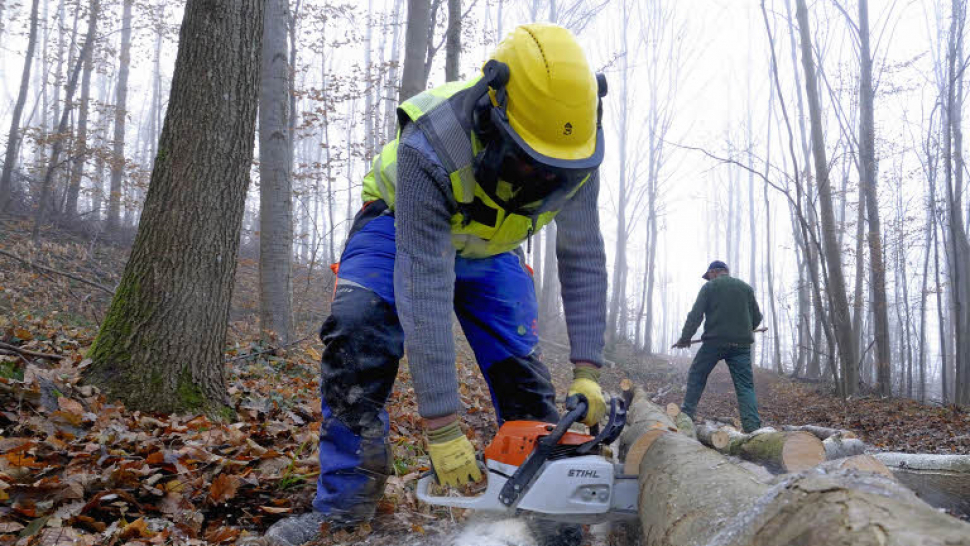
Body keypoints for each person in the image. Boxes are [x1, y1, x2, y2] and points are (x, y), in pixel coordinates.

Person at [266, 23, 608, 546]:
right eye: (529, 160)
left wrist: (587, 370)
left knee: (523, 375)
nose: (543, 178)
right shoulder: (433, 141)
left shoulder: (577, 148)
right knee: (358, 334)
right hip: (400, 225)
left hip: (491, 246)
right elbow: (424, 286)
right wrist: (442, 424)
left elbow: (583, 256)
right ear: (495, 110)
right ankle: (342, 511)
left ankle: (546, 508)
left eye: (552, 170)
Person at [672, 261, 763, 433]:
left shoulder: (710, 288)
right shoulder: (746, 288)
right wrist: (743, 328)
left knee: (697, 375)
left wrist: (685, 338)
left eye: (709, 276)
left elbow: (695, 315)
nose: (708, 280)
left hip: (714, 343)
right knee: (745, 386)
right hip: (741, 345)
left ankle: (686, 415)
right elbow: (757, 318)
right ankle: (753, 429)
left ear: (714, 272)